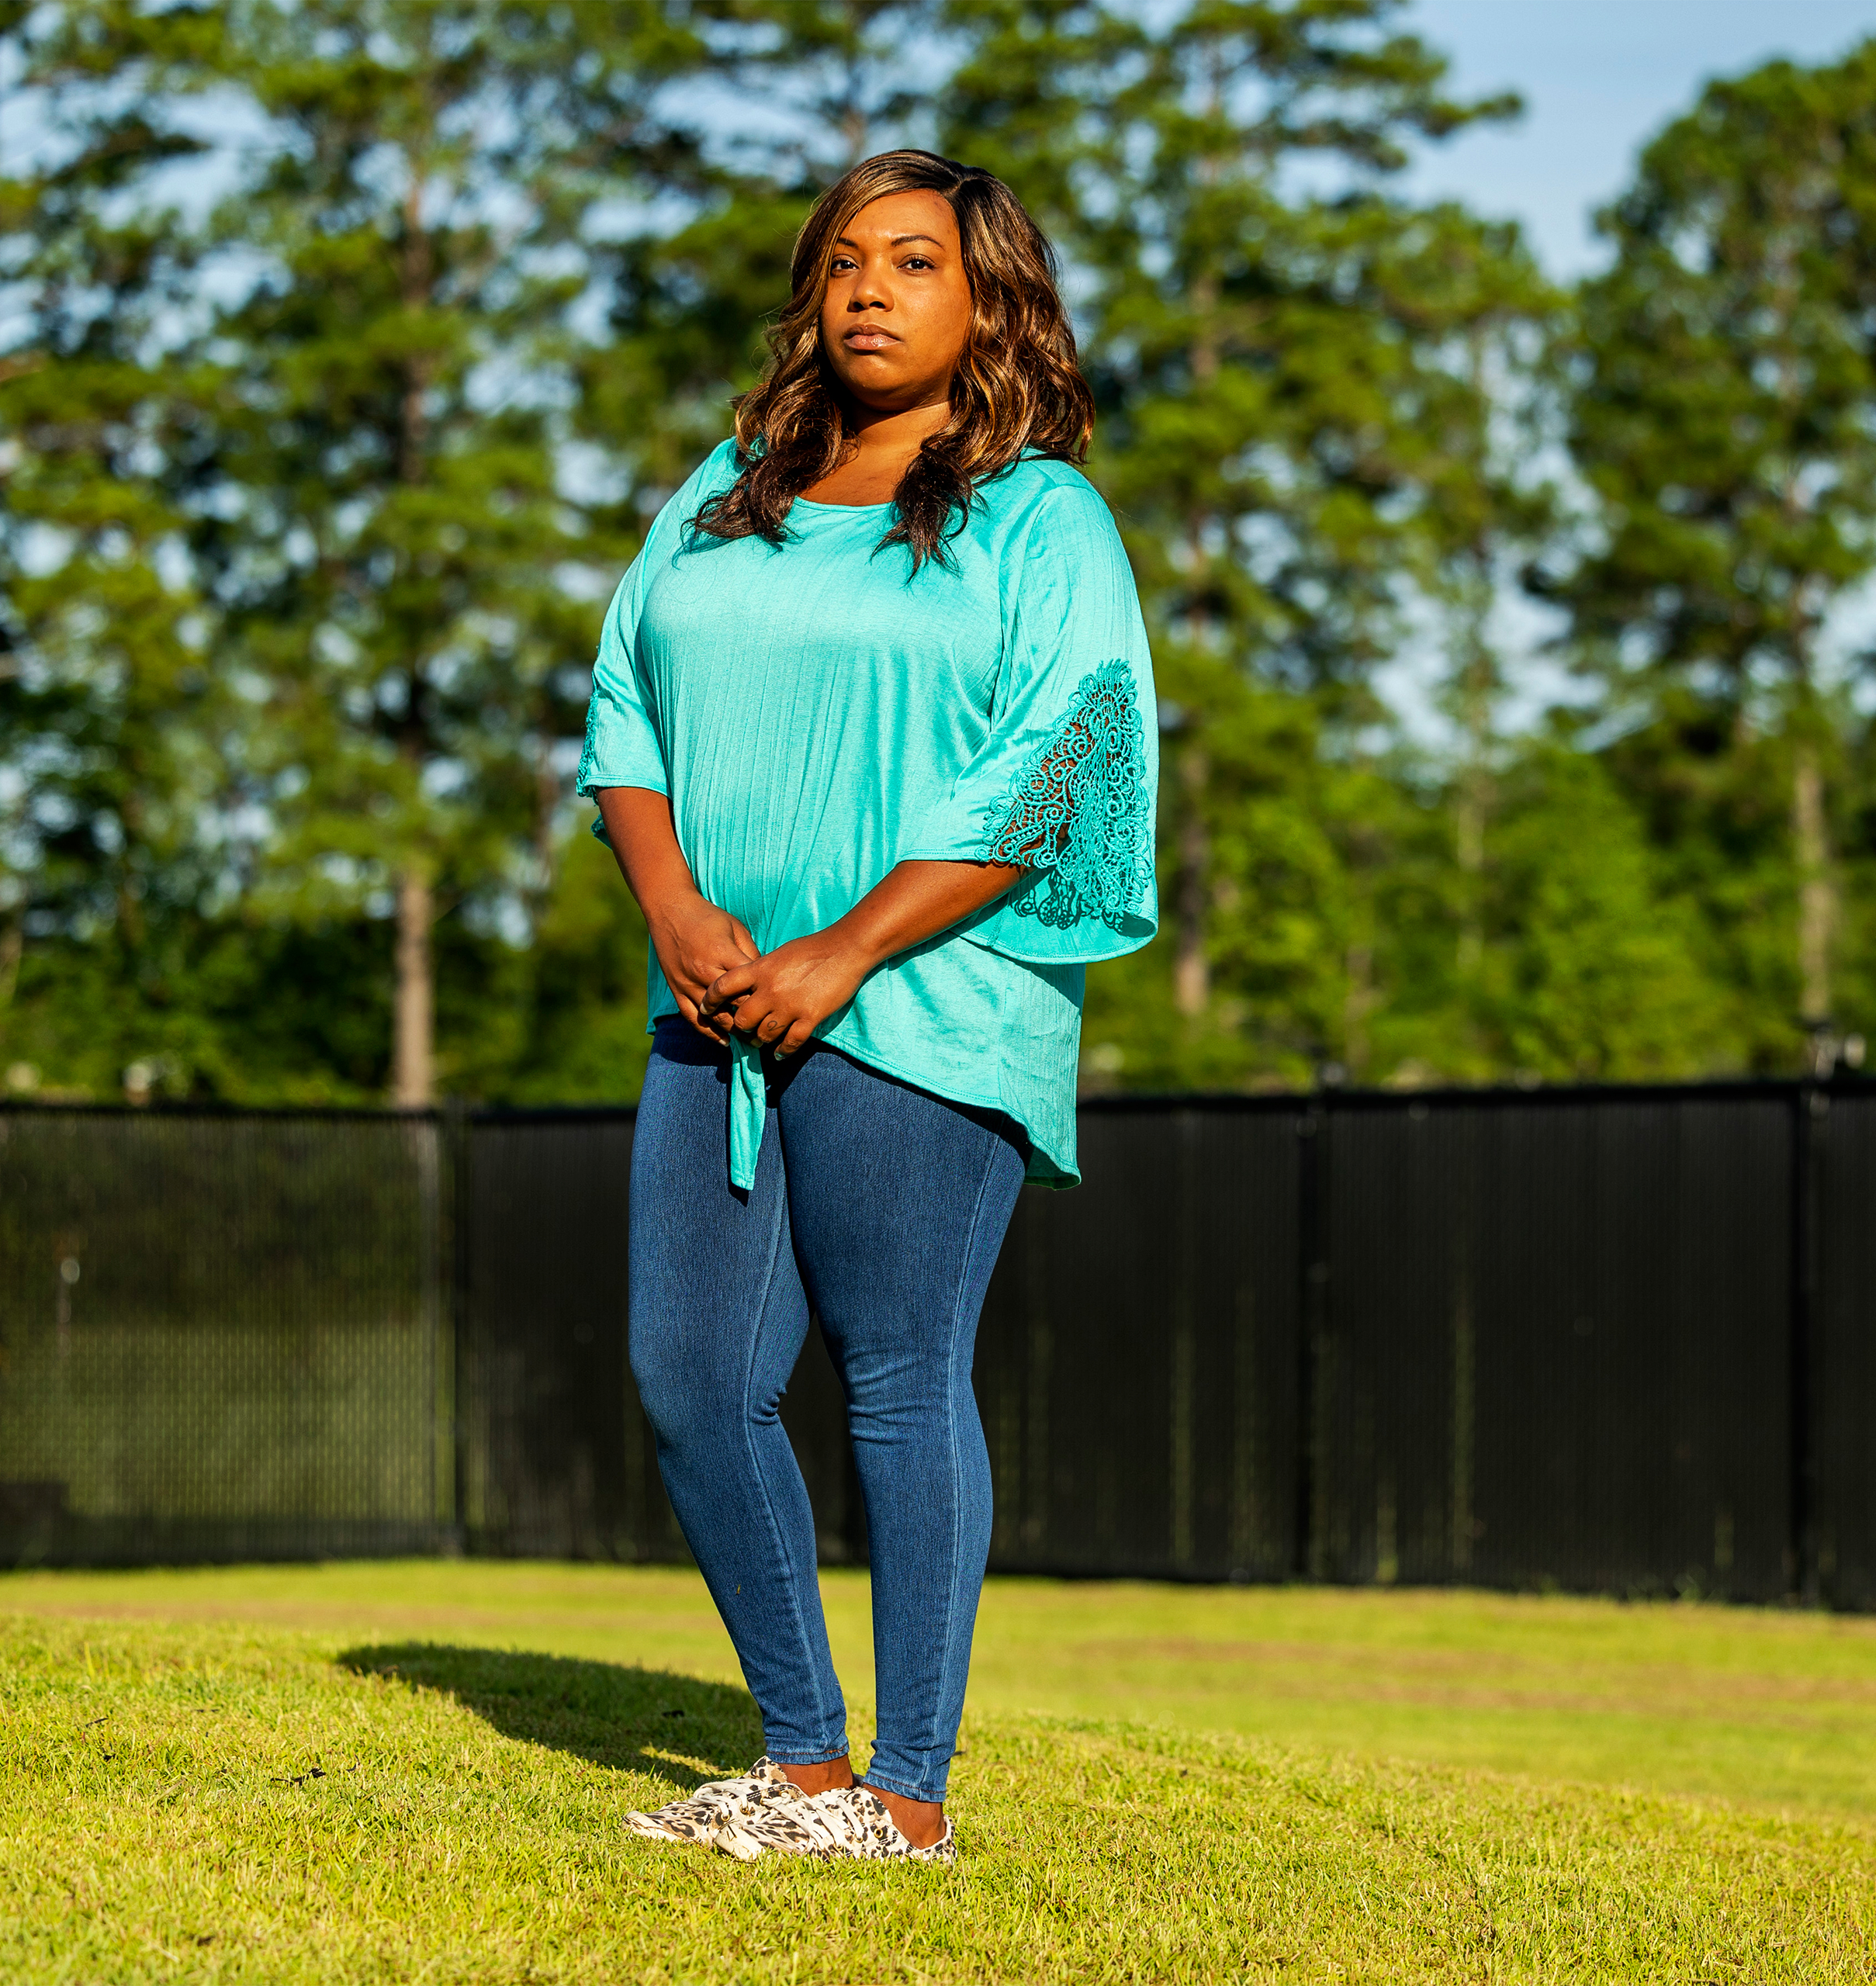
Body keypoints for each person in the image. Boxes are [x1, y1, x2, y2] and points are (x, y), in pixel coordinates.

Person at [578, 148, 1156, 1864]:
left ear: (989, 297)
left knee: (899, 1376)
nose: (867, 289)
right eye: (843, 259)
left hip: (924, 1004)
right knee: (690, 1371)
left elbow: (1069, 758)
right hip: (721, 1005)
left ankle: (906, 1794)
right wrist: (677, 910)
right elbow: (625, 698)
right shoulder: (727, 486)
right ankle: (803, 1764)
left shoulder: (1041, 515)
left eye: (912, 260)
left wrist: (846, 948)